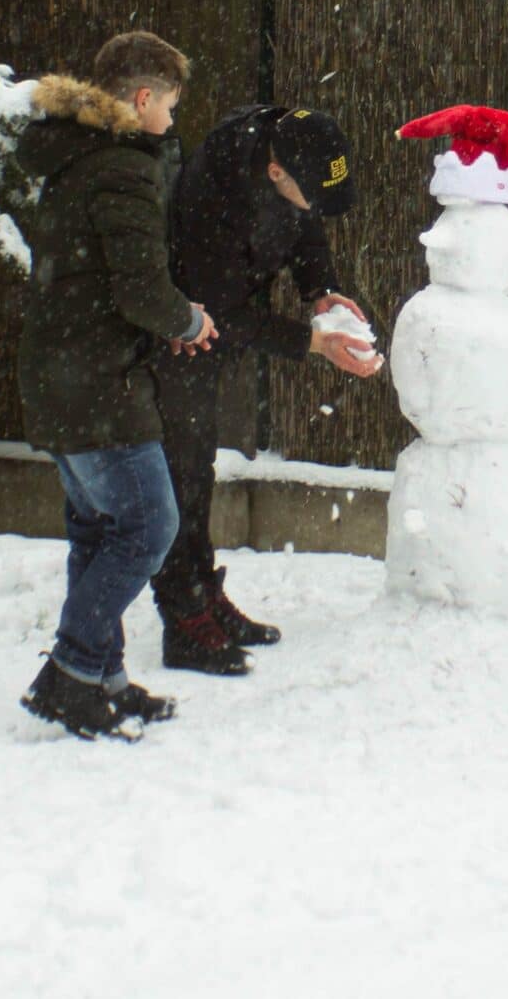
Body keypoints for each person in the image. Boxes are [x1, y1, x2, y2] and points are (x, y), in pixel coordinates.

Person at [12, 32, 217, 738]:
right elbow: (140, 288)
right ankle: (70, 674)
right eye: (168, 104)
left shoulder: (73, 157)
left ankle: (104, 678)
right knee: (149, 526)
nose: (170, 119)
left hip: (58, 374)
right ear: (140, 97)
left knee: (97, 531)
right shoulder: (124, 166)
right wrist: (188, 321)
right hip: (98, 381)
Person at [152, 103, 381, 673]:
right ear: (276, 174)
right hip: (176, 335)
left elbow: (305, 223)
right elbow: (223, 310)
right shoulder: (216, 194)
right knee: (182, 471)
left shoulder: (289, 145)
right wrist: (311, 342)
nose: (317, 210)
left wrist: (320, 288)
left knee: (196, 468)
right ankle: (183, 618)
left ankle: (204, 595)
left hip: (218, 320)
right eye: (312, 194)